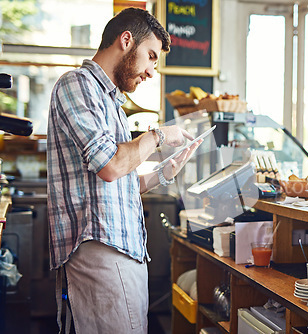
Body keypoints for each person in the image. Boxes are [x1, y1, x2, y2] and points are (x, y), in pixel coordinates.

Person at [46, 7, 199, 334]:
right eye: (150, 56)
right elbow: (112, 166)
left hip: (120, 250)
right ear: (126, 40)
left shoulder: (110, 101)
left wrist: (164, 172)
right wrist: (158, 135)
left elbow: (116, 182)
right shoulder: (78, 85)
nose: (150, 71)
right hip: (102, 249)